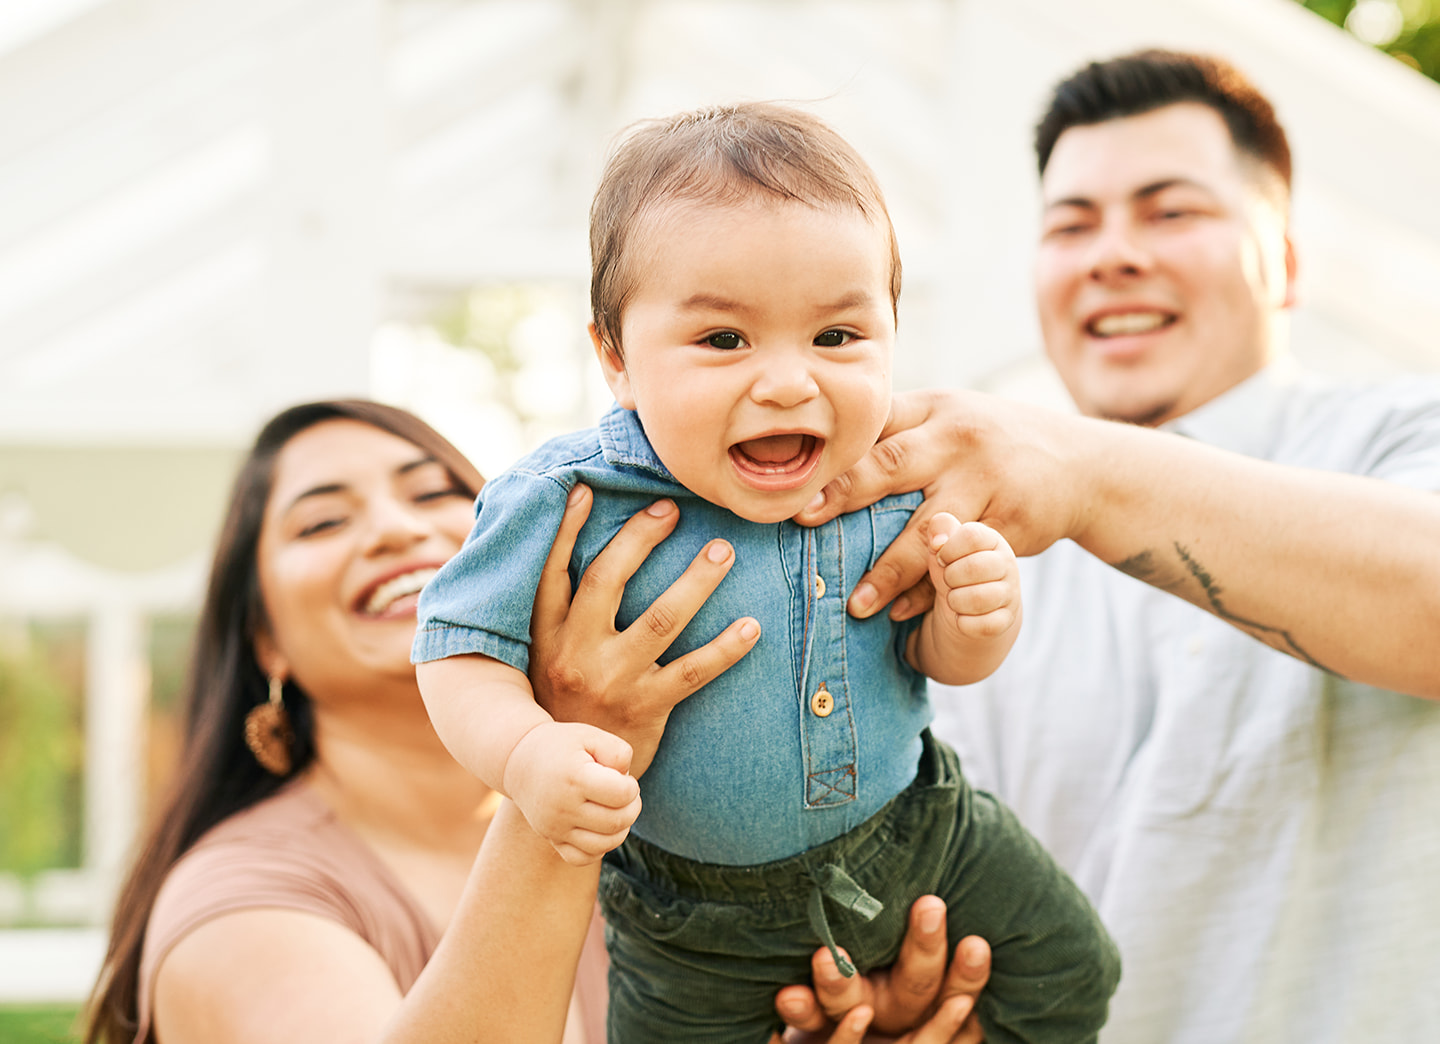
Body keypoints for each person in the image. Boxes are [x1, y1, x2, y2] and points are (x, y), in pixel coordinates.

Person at [783, 50, 1440, 1043]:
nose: (1111, 254)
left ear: (1287, 264)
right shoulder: (965, 544)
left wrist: (1082, 470)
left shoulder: (1417, 432)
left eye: (1171, 212)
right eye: (1070, 225)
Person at [412, 103, 1119, 1043]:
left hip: (920, 833)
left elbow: (935, 659)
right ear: (616, 357)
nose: (790, 382)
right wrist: (524, 752)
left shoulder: (893, 472)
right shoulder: (568, 497)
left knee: (1072, 971)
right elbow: (458, 649)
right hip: (695, 915)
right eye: (724, 341)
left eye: (837, 338)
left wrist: (978, 621)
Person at [81, 399, 980, 1044]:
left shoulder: (666, 833)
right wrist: (583, 742)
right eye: (322, 522)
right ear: (265, 641)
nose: (396, 531)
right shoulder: (238, 901)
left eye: (434, 495)